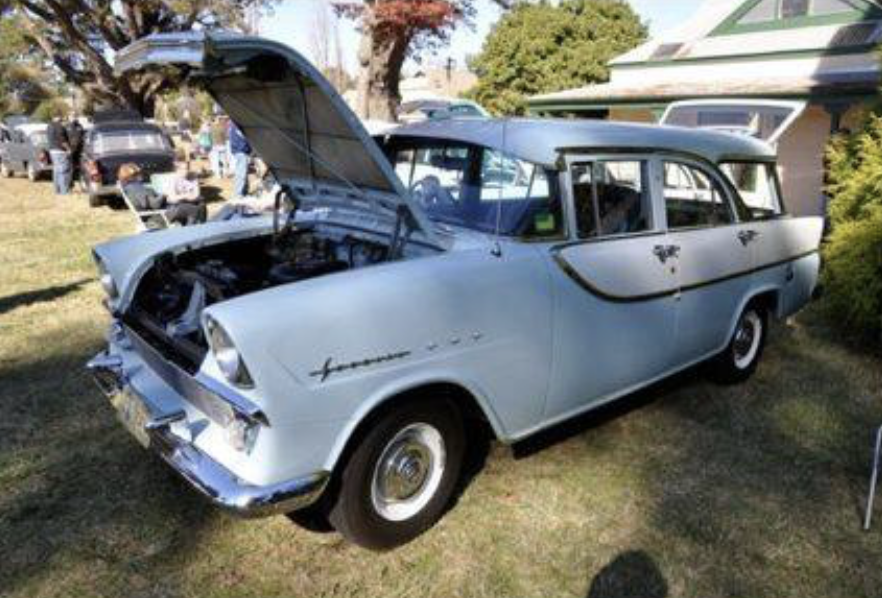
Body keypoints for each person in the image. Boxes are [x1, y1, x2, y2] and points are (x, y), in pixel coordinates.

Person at [118, 163, 206, 226]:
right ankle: (190, 233)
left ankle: (195, 229)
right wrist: (164, 195)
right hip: (156, 217)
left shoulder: (132, 187)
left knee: (196, 205)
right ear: (131, 176)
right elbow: (154, 204)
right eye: (137, 173)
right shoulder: (136, 188)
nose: (141, 175)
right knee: (191, 209)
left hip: (159, 212)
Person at [47, 116, 72, 195]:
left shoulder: (49, 126)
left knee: (56, 170)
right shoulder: (60, 127)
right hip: (60, 151)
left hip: (52, 151)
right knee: (63, 171)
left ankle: (57, 190)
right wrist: (68, 149)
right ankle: (64, 191)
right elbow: (63, 140)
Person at [229, 122, 251, 198]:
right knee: (241, 173)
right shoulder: (237, 125)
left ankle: (244, 192)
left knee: (242, 172)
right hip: (241, 150)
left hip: (238, 150)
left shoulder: (232, 124)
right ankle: (238, 194)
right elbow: (245, 137)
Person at [66, 119, 84, 188]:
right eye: (72, 116)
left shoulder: (80, 126)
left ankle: (80, 182)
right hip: (71, 150)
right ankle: (70, 183)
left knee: (79, 167)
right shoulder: (67, 127)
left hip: (79, 150)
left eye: (75, 116)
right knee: (71, 167)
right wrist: (67, 148)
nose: (74, 118)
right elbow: (65, 138)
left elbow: (82, 136)